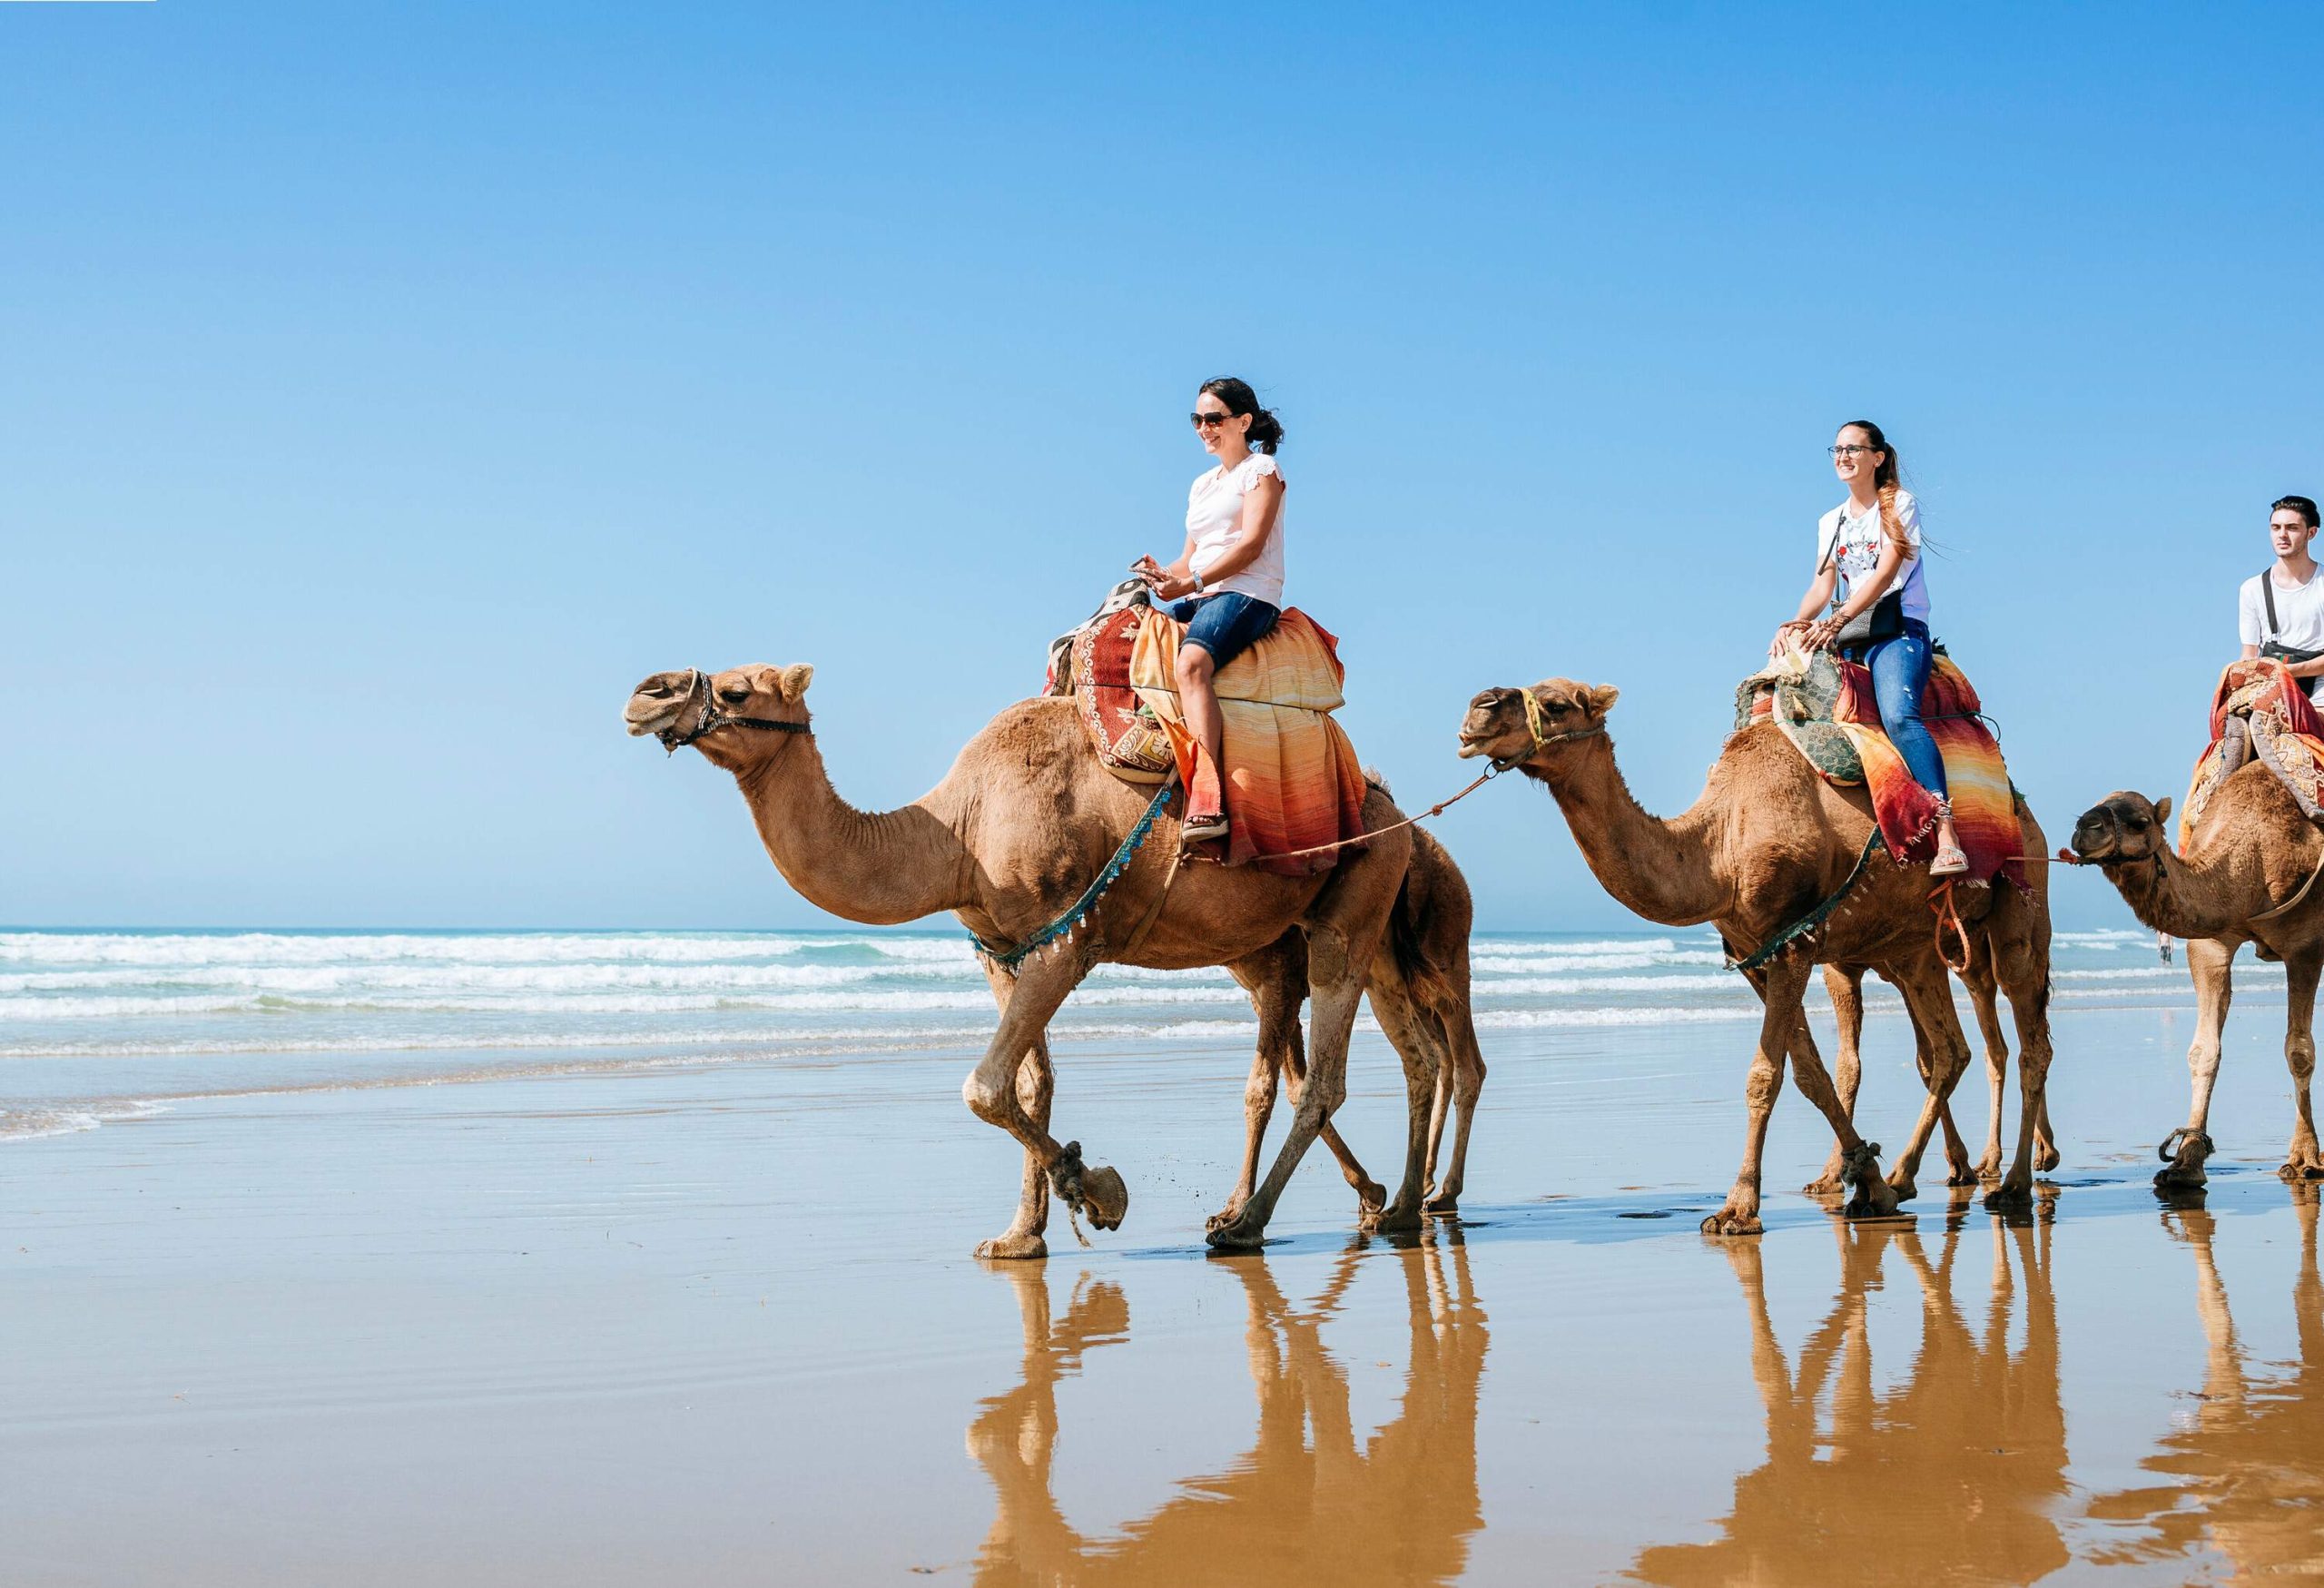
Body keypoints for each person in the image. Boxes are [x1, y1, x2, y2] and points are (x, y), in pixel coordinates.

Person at [1770, 419, 1965, 876]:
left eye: (1853, 449)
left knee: (1899, 717)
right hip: (1849, 632)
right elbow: (1822, 586)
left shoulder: (1898, 504)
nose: (1843, 457)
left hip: (1896, 632)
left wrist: (1836, 619)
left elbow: (1884, 573)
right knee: (1778, 701)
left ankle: (1946, 831)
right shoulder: (1830, 521)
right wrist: (1796, 623)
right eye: (1837, 449)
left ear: (1877, 457)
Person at [1132, 378, 1286, 843]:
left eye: (1214, 419)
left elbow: (1251, 546)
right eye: (1197, 419)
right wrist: (1161, 575)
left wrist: (1192, 581)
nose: (1204, 428)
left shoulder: (1262, 470)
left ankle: (1208, 791)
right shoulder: (1202, 485)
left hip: (1247, 593)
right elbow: (1189, 557)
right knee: (1126, 634)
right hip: (1202, 591)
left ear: (1243, 422)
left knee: (1192, 663)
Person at [2237, 495, 2324, 702]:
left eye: (2292, 528)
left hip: (2321, 688)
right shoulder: (2252, 589)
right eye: (2276, 528)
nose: (2282, 535)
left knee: (2309, 723)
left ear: (2311, 533)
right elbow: (2248, 654)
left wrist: (2290, 671)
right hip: (2273, 685)